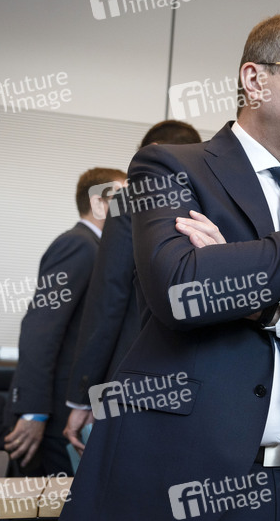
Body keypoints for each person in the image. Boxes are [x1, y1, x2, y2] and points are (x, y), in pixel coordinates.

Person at [61, 14, 280, 521]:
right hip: (200, 486)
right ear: (254, 79)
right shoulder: (169, 167)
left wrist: (265, 304)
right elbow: (183, 290)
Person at [63, 121, 201, 455]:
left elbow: (108, 300)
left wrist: (83, 396)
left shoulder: (131, 199)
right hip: (208, 383)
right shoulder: (219, 197)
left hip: (137, 379)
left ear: (151, 152)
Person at [5, 167, 128, 475]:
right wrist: (34, 412)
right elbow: (40, 328)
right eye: (125, 197)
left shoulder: (103, 250)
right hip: (55, 410)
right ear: (99, 202)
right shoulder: (79, 245)